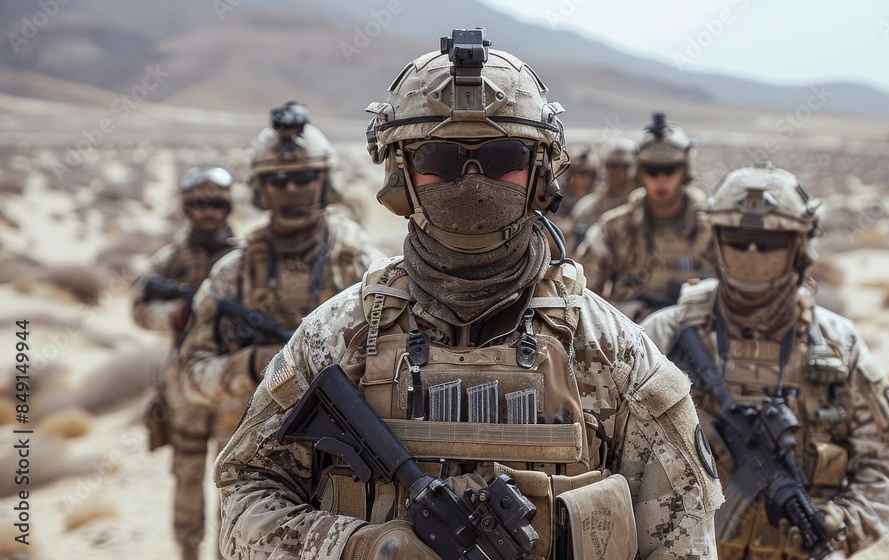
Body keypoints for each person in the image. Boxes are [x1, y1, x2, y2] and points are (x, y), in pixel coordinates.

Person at [213, 29, 722, 560]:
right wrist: (363, 545)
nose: (474, 180)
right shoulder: (338, 338)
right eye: (442, 159)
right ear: (399, 172)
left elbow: (682, 540)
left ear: (541, 171)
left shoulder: (614, 354)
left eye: (504, 157)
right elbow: (243, 501)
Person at [641, 162, 889, 559]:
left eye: (769, 242)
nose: (751, 252)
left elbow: (882, 467)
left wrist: (839, 524)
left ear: (800, 247)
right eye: (739, 238)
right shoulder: (666, 333)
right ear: (716, 240)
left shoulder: (837, 345)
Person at [179, 101, 384, 433]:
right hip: (253, 455)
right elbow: (192, 380)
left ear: (323, 181)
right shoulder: (232, 273)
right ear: (261, 188)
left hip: (346, 448)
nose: (291, 189)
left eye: (302, 178)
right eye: (279, 179)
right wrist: (257, 363)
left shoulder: (363, 266)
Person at [131, 166, 238, 560]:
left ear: (226, 206)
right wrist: (175, 314)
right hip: (184, 387)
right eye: (197, 204)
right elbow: (139, 308)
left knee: (234, 477)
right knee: (188, 472)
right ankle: (187, 549)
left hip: (232, 384)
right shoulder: (171, 258)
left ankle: (230, 550)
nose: (206, 212)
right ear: (186, 208)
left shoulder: (245, 256)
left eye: (214, 203)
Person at [577, 112, 712, 322]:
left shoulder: (711, 228)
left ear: (684, 171)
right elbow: (582, 297)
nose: (661, 179)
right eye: (652, 170)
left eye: (669, 170)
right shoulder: (614, 227)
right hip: (630, 337)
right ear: (641, 172)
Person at [567, 136, 639, 250]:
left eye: (625, 166)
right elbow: (575, 250)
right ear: (605, 166)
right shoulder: (586, 208)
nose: (619, 172)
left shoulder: (642, 205)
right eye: (614, 165)